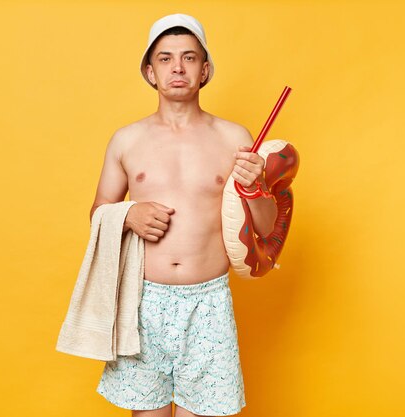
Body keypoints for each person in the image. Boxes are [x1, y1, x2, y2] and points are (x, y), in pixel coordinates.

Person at [92, 13, 277, 417]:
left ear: (204, 69)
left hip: (208, 302)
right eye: (165, 58)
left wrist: (256, 186)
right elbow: (98, 212)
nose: (177, 67)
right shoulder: (127, 140)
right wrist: (129, 214)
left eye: (189, 58)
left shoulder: (234, 138)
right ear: (150, 71)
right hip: (143, 303)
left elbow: (265, 227)